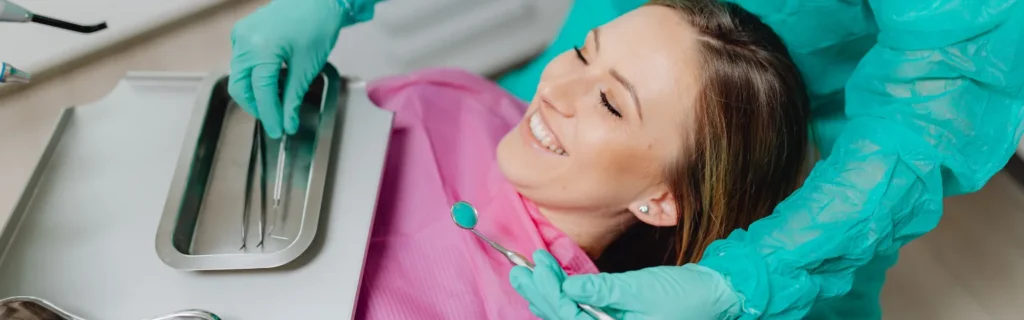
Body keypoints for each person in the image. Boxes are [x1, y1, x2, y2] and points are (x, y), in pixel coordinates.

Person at [228, 0, 1024, 318]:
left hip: (763, 149)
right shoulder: (455, 104)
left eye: (606, 99)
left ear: (660, 203)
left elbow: (936, 107)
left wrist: (744, 279)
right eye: (580, 57)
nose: (562, 88)